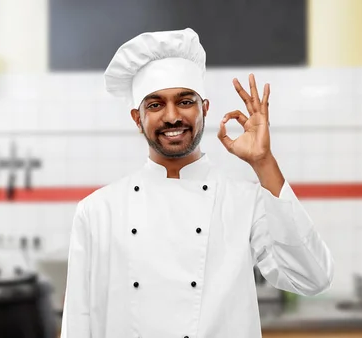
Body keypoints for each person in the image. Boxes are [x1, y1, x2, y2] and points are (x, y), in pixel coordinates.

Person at [61, 28, 334, 338]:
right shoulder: (98, 212)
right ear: (137, 119)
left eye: (185, 101)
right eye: (155, 105)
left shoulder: (245, 202)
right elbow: (77, 323)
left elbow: (315, 278)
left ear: (205, 108)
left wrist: (264, 163)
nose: (172, 116)